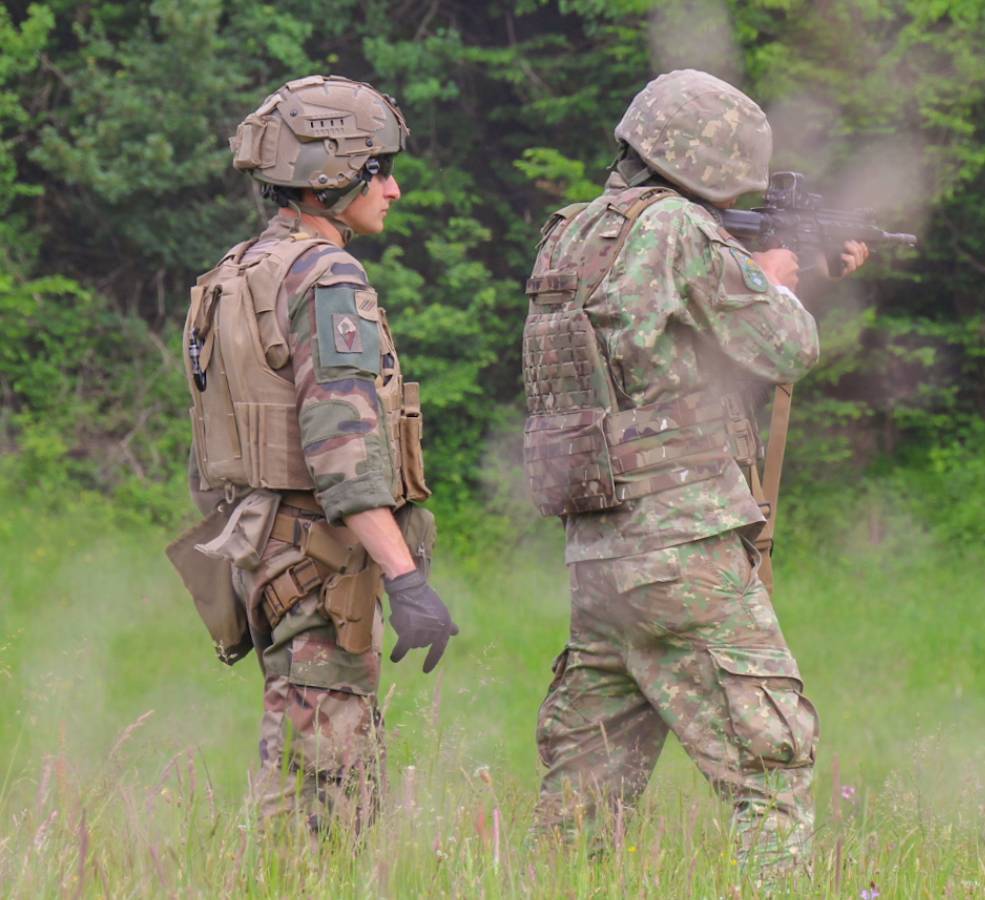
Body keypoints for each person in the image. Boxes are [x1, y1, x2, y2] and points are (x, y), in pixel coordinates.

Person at [521, 68, 869, 875]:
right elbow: (789, 347)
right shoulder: (682, 230)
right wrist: (777, 280)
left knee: (582, 799)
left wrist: (775, 272)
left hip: (599, 553)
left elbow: (662, 355)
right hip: (686, 549)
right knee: (772, 765)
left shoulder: (573, 232)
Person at [173, 75, 456, 834]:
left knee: (300, 764)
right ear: (331, 178)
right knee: (329, 790)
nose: (392, 189)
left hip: (265, 557)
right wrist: (404, 580)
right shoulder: (327, 276)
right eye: (378, 171)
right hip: (321, 562)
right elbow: (343, 452)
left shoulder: (232, 276)